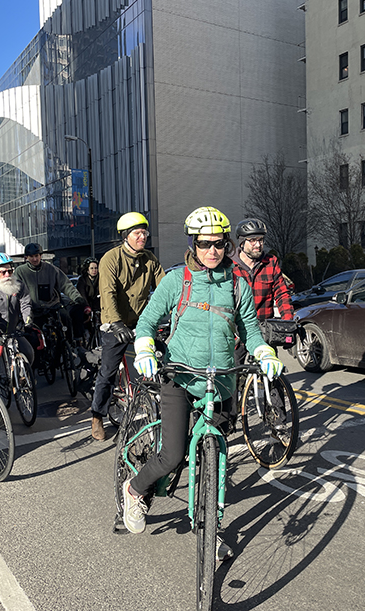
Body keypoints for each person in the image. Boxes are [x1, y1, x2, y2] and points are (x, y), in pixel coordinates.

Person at [121, 206, 283, 561]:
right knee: (173, 455)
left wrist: (264, 352)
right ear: (193, 243)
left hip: (222, 381)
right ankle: (134, 490)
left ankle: (211, 525)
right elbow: (147, 322)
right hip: (181, 376)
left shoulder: (237, 284)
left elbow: (251, 331)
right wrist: (146, 348)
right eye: (204, 243)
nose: (212, 251)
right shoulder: (176, 281)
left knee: (218, 457)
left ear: (227, 244)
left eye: (219, 244)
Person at [90, 212, 165, 440]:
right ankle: (97, 416)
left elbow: (163, 288)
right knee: (108, 372)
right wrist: (115, 323)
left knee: (164, 358)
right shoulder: (110, 259)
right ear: (125, 236)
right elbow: (108, 293)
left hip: (141, 322)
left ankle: (167, 406)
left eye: (144, 232)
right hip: (115, 324)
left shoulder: (150, 259)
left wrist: (177, 312)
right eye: (137, 233)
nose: (142, 237)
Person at [232, 218, 294, 364]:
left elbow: (282, 294)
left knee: (272, 374)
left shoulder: (271, 262)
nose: (258, 245)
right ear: (242, 242)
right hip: (237, 331)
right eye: (253, 240)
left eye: (260, 240)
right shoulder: (229, 266)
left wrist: (288, 323)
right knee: (232, 377)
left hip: (264, 330)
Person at [14, 243, 89, 345]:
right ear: (26, 257)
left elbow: (66, 284)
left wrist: (77, 298)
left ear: (41, 256)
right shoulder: (20, 271)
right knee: (31, 335)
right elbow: (14, 290)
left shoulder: (51, 269)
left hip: (52, 307)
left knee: (66, 318)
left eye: (36, 256)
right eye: (31, 256)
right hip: (33, 310)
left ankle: (70, 346)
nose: (35, 259)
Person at [0, 253, 35, 387]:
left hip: (13, 331)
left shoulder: (19, 286)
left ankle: (21, 377)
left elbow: (26, 304)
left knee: (28, 352)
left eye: (10, 271)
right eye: (2, 272)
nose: (7, 275)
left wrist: (28, 322)